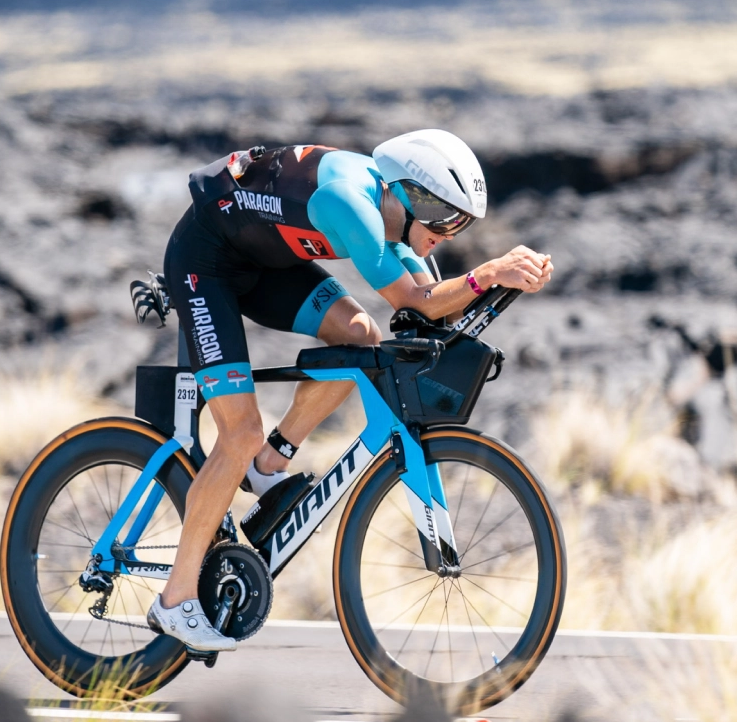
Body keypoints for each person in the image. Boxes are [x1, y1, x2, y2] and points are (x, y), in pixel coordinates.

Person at [146, 129, 553, 649]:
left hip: (264, 262)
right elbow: (419, 299)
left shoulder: (393, 217)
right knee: (238, 431)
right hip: (206, 261)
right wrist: (492, 270)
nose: (449, 234)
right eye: (446, 219)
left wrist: (508, 282)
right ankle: (175, 602)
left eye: (462, 224)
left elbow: (421, 311)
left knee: (358, 337)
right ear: (410, 196)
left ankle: (267, 465)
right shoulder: (352, 203)